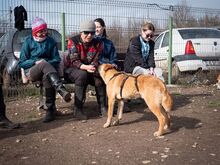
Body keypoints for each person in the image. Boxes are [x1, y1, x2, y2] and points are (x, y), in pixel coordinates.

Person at [19, 17, 71, 123]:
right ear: (35, 32)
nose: (44, 33)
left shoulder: (50, 41)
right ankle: (61, 89)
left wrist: (46, 63)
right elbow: (22, 63)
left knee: (46, 75)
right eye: (40, 31)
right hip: (32, 71)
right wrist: (35, 62)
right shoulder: (28, 42)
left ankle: (50, 111)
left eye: (45, 30)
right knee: (43, 64)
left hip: (47, 71)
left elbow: (56, 59)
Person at [64, 20, 107, 119]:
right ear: (81, 32)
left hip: (89, 69)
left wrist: (92, 66)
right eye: (86, 32)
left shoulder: (98, 43)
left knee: (99, 76)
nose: (89, 35)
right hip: (71, 69)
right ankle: (78, 109)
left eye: (92, 33)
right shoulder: (73, 41)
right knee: (82, 75)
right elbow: (74, 61)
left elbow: (96, 59)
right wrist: (87, 67)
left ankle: (103, 107)